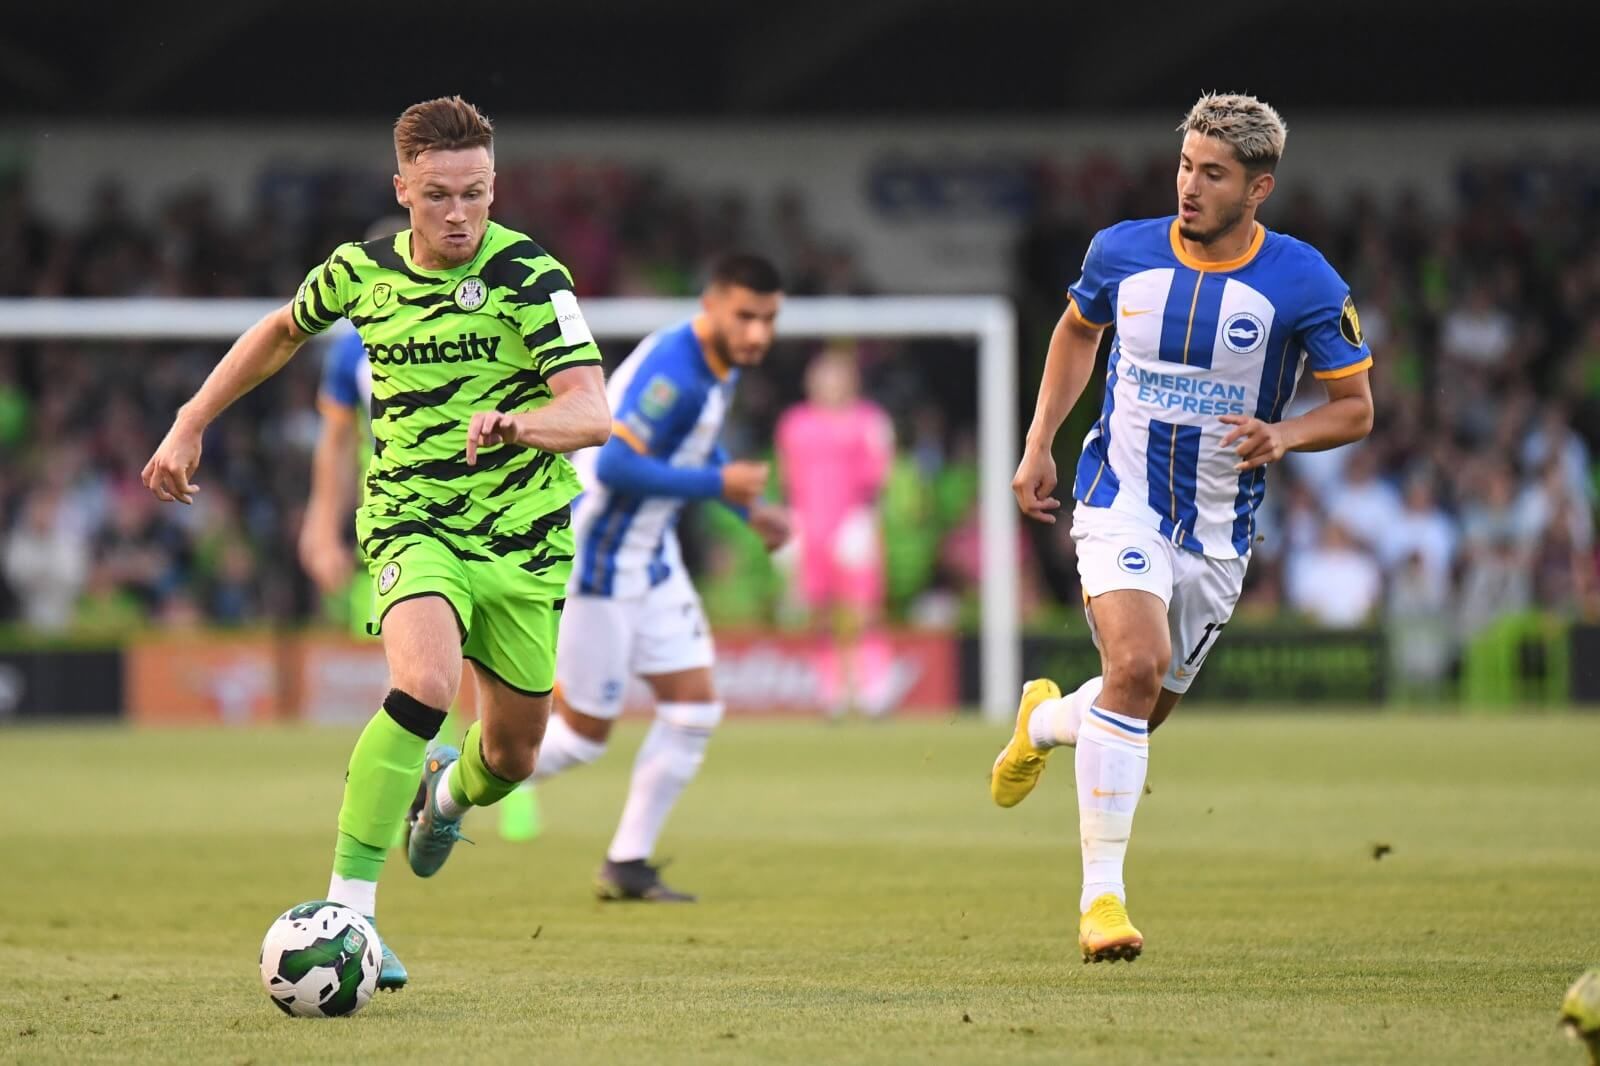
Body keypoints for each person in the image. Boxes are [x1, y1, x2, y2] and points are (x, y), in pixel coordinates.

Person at [141, 96, 610, 989]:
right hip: (410, 519)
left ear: (494, 185)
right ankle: (350, 913)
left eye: (475, 193)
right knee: (425, 684)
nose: (459, 214)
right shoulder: (359, 273)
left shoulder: (531, 277)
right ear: (402, 191)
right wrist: (190, 420)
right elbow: (281, 331)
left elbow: (592, 412)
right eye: (438, 195)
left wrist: (519, 424)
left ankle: (445, 794)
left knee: (512, 755)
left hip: (523, 540)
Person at [997, 92, 1375, 963]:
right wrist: (1040, 440)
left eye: (1213, 174)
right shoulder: (1120, 251)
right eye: (1184, 166)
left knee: (1139, 706)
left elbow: (1355, 407)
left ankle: (1044, 723)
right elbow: (1076, 333)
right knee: (1135, 666)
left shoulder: (1305, 281)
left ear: (1259, 188)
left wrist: (1284, 434)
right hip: (1119, 497)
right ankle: (1102, 902)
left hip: (1218, 532)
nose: (1190, 187)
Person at [517, 253, 788, 901]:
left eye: (769, 319)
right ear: (711, 305)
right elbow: (614, 465)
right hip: (601, 557)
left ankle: (627, 863)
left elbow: (693, 444)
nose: (758, 333)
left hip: (651, 552)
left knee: (693, 708)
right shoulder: (675, 369)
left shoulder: (718, 365)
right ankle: (445, 783)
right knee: (581, 739)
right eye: (746, 316)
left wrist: (747, 509)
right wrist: (718, 485)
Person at [297, 215, 535, 840]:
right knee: (422, 671)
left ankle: (471, 786)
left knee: (502, 702)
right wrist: (321, 527)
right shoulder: (353, 343)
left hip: (498, 520)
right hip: (406, 518)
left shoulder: (496, 308)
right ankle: (418, 786)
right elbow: (336, 438)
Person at [774, 346, 895, 715]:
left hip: (853, 525)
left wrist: (865, 517)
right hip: (811, 528)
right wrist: (791, 524)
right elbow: (787, 477)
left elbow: (882, 471)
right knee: (821, 610)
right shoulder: (795, 423)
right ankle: (833, 688)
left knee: (862, 608)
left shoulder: (869, 421)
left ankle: (873, 684)